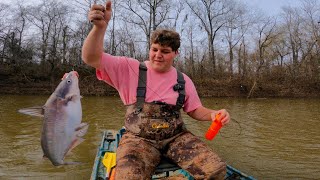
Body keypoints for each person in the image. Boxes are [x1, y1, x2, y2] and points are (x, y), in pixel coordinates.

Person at [82, 1, 230, 179]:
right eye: (154, 49)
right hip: (138, 139)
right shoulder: (129, 68)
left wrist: (213, 114)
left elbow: (195, 110)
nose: (158, 55)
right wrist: (99, 28)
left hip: (176, 138)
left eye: (165, 51)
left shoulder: (184, 80)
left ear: (176, 53)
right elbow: (91, 58)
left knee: (216, 170)